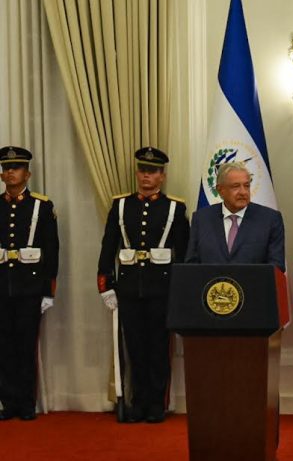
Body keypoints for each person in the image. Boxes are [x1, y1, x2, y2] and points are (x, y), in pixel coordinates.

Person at [96, 147, 188, 423]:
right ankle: (138, 401)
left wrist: (180, 292)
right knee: (134, 347)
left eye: (153, 172)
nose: (147, 176)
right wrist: (105, 285)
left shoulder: (175, 208)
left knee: (158, 347)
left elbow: (183, 253)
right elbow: (108, 247)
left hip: (162, 289)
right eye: (143, 171)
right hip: (129, 289)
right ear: (137, 173)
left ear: (162, 176)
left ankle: (156, 403)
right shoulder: (121, 206)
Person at [0, 146, 59, 421]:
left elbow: (52, 250)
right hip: (2, 286)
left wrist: (48, 290)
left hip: (29, 287)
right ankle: (8, 401)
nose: (11, 172)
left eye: (17, 167)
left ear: (28, 173)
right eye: (6, 168)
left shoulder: (42, 206)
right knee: (4, 346)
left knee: (25, 345)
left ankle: (26, 402)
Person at [187, 161, 284, 270]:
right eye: (236, 186)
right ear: (220, 190)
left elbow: (276, 267)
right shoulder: (201, 219)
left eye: (246, 186)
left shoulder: (270, 220)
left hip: (252, 281)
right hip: (211, 281)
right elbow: (191, 265)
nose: (243, 192)